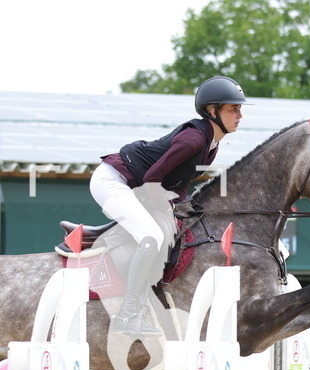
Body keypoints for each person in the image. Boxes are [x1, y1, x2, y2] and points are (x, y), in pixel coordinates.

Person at [91, 75, 247, 338]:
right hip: (112, 181)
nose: (240, 115)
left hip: (134, 185)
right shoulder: (194, 140)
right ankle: (128, 316)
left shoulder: (211, 143)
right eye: (233, 108)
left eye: (239, 108)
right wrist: (168, 208)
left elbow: (178, 183)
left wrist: (182, 205)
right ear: (212, 111)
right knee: (151, 237)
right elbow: (153, 179)